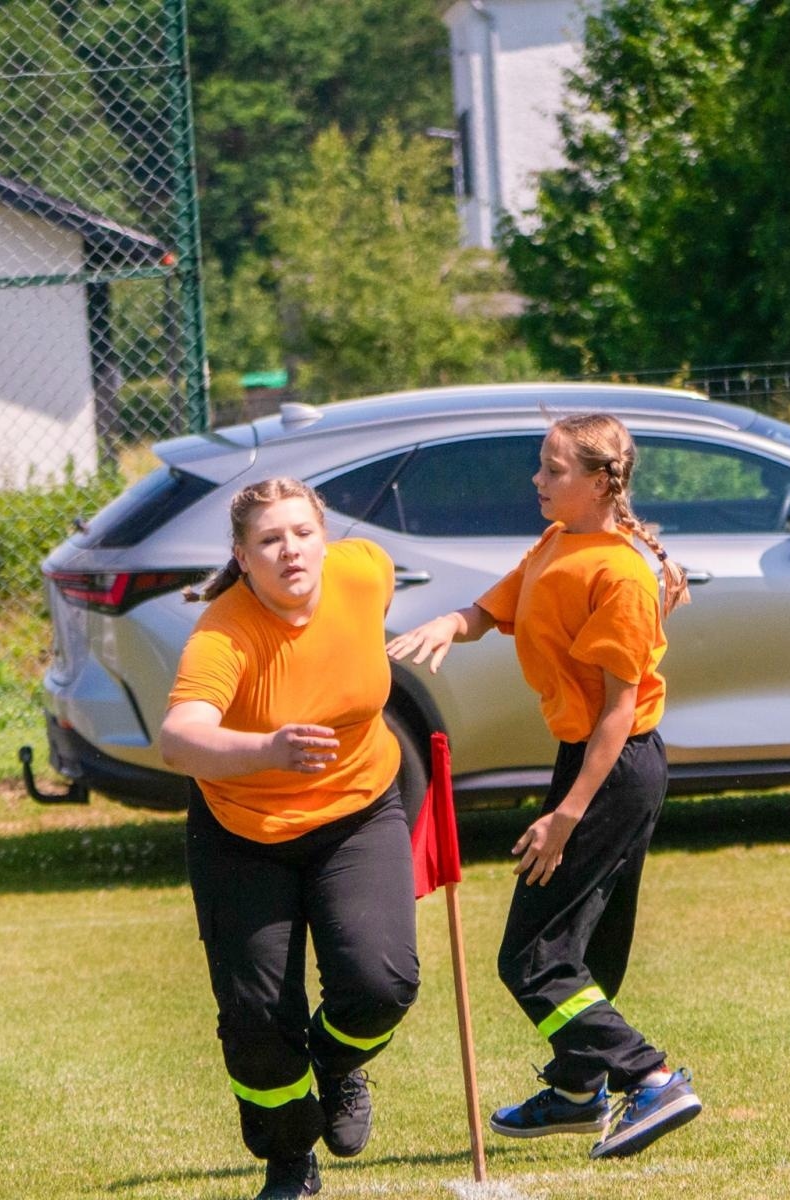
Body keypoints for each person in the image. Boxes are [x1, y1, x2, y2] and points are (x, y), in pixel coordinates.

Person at [386, 412, 702, 1161]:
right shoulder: (558, 541)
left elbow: (619, 712)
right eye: (541, 464)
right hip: (590, 761)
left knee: (531, 957)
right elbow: (492, 609)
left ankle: (649, 1077)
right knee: (582, 945)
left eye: (553, 469)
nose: (537, 479)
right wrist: (448, 625)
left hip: (614, 767)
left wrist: (566, 815)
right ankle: (577, 1090)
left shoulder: (621, 575)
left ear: (600, 483)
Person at [160, 478, 419, 1200]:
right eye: (270, 540)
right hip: (243, 831)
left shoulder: (364, 572)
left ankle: (335, 1064)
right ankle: (288, 1157)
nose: (291, 550)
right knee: (256, 1019)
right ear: (243, 557)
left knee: (380, 985)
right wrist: (267, 749)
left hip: (359, 812)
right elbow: (179, 739)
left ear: (325, 537)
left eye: (303, 533)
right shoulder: (224, 631)